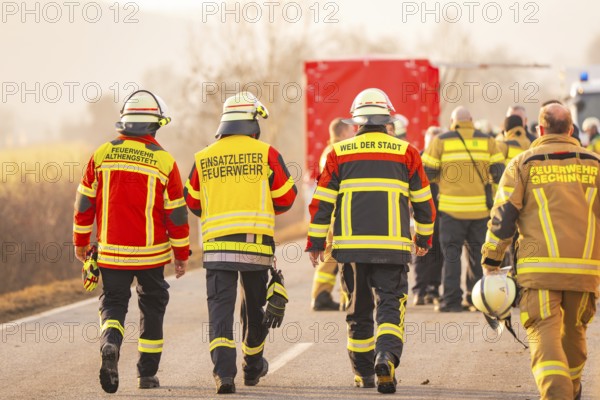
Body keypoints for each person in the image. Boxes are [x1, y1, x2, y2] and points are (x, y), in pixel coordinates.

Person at [307, 88, 435, 394]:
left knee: (358, 309)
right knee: (390, 305)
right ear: (387, 119)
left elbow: (322, 202)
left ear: (356, 122)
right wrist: (424, 237)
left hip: (351, 249)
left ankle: (363, 374)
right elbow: (423, 201)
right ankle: (386, 356)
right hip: (392, 249)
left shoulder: (339, 153)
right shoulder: (407, 152)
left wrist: (315, 242)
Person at [73, 90, 190, 393]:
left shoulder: (101, 155)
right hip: (151, 256)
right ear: (153, 126)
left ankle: (110, 342)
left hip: (111, 253)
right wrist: (181, 254)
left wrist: (80, 242)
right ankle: (146, 375)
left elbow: (84, 203)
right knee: (152, 306)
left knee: (113, 303)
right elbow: (175, 215)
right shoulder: (165, 162)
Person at [481, 103, 599, 400]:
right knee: (574, 332)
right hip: (585, 271)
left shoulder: (522, 164)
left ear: (540, 130)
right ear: (571, 130)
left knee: (544, 331)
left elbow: (504, 215)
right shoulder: (596, 164)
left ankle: (557, 394)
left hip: (539, 270)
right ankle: (571, 389)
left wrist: (491, 259)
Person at [184, 91, 297, 394]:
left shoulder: (203, 157)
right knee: (256, 309)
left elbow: (192, 201)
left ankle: (224, 374)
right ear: (252, 121)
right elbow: (286, 197)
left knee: (220, 312)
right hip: (255, 248)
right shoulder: (266, 153)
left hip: (218, 248)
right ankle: (252, 364)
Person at [421, 106, 505, 312]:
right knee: (478, 257)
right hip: (480, 212)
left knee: (451, 256)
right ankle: (477, 299)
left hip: (451, 211)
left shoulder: (440, 141)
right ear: (471, 120)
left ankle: (451, 301)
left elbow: (426, 173)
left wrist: (443, 178)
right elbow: (499, 174)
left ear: (453, 121)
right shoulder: (488, 141)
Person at [311, 118, 353, 311]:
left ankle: (322, 294)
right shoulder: (336, 153)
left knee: (331, 255)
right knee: (345, 256)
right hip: (339, 212)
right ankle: (346, 297)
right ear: (343, 133)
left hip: (333, 212)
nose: (353, 134)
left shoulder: (328, 152)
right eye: (351, 131)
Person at [412, 126, 444, 305]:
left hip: (441, 211)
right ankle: (419, 290)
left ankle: (433, 289)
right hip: (422, 213)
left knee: (439, 251)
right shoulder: (418, 160)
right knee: (421, 251)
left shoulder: (445, 161)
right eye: (431, 141)